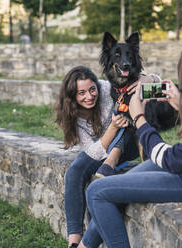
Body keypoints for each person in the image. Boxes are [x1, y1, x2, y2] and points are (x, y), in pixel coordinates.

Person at [77, 38, 182, 248]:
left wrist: (139, 118)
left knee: (96, 191)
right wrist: (180, 105)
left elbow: (172, 161)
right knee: (114, 187)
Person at [55, 66, 140, 248]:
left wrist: (147, 80)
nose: (89, 96)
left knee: (124, 115)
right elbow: (93, 152)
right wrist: (112, 128)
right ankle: (73, 242)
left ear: (97, 85)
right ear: (72, 96)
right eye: (81, 93)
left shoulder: (108, 88)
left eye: (92, 89)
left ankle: (112, 160)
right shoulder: (71, 114)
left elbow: (153, 83)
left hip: (129, 141)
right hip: (102, 149)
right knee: (74, 172)